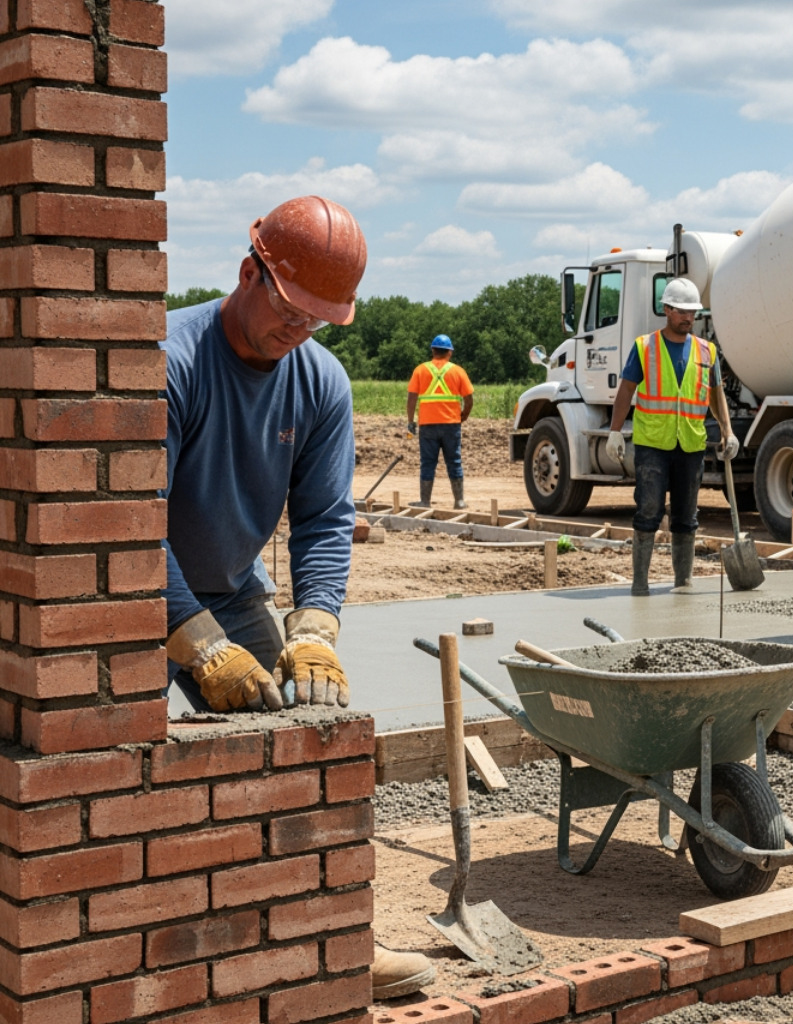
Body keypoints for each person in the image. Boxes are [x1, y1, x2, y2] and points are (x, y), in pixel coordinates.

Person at [160, 195, 433, 998]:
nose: (299, 333)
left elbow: (323, 518)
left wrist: (315, 626)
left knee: (307, 735)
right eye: (290, 313)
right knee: (132, 762)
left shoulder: (321, 383)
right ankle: (150, 946)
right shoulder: (172, 362)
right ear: (250, 273)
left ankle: (337, 936)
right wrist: (200, 644)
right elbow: (126, 530)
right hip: (125, 590)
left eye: (320, 322)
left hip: (234, 586)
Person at [606, 278, 738, 595]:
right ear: (666, 310)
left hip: (691, 445)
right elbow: (626, 390)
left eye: (692, 312)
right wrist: (615, 431)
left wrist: (728, 430)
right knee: (648, 510)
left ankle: (683, 581)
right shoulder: (644, 347)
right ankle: (640, 583)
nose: (688, 318)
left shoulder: (707, 351)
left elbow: (716, 394)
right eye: (681, 311)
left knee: (686, 516)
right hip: (653, 444)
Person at [406, 334, 475, 510]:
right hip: (452, 424)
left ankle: (425, 501)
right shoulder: (458, 371)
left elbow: (411, 398)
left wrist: (410, 421)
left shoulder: (420, 370)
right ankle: (459, 501)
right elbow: (469, 399)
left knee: (427, 462)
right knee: (454, 461)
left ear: (433, 350)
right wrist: (464, 415)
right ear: (449, 352)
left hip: (427, 425)